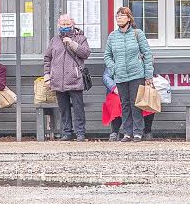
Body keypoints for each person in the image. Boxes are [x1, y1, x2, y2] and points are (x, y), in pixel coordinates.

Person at [104, 6, 154, 142]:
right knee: (124, 104)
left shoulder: (138, 34)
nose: (119, 18)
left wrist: (148, 75)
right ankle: (127, 132)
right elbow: (107, 55)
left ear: (129, 18)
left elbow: (148, 54)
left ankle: (138, 132)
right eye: (117, 16)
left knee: (136, 104)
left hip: (136, 74)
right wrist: (114, 68)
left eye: (122, 15)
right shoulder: (112, 36)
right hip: (120, 76)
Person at [43, 13, 91, 141]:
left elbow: (86, 53)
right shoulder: (54, 40)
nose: (65, 26)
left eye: (67, 24)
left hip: (74, 79)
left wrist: (72, 44)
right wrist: (47, 74)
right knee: (63, 109)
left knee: (78, 108)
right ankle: (67, 133)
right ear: (58, 24)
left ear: (73, 24)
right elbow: (47, 58)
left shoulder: (80, 38)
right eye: (62, 24)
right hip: (58, 80)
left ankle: (80, 133)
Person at [101, 69, 156, 140]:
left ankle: (147, 131)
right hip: (118, 88)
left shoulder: (140, 60)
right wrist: (114, 87)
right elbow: (106, 76)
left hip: (138, 85)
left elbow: (148, 70)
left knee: (147, 100)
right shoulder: (115, 60)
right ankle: (115, 132)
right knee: (116, 102)